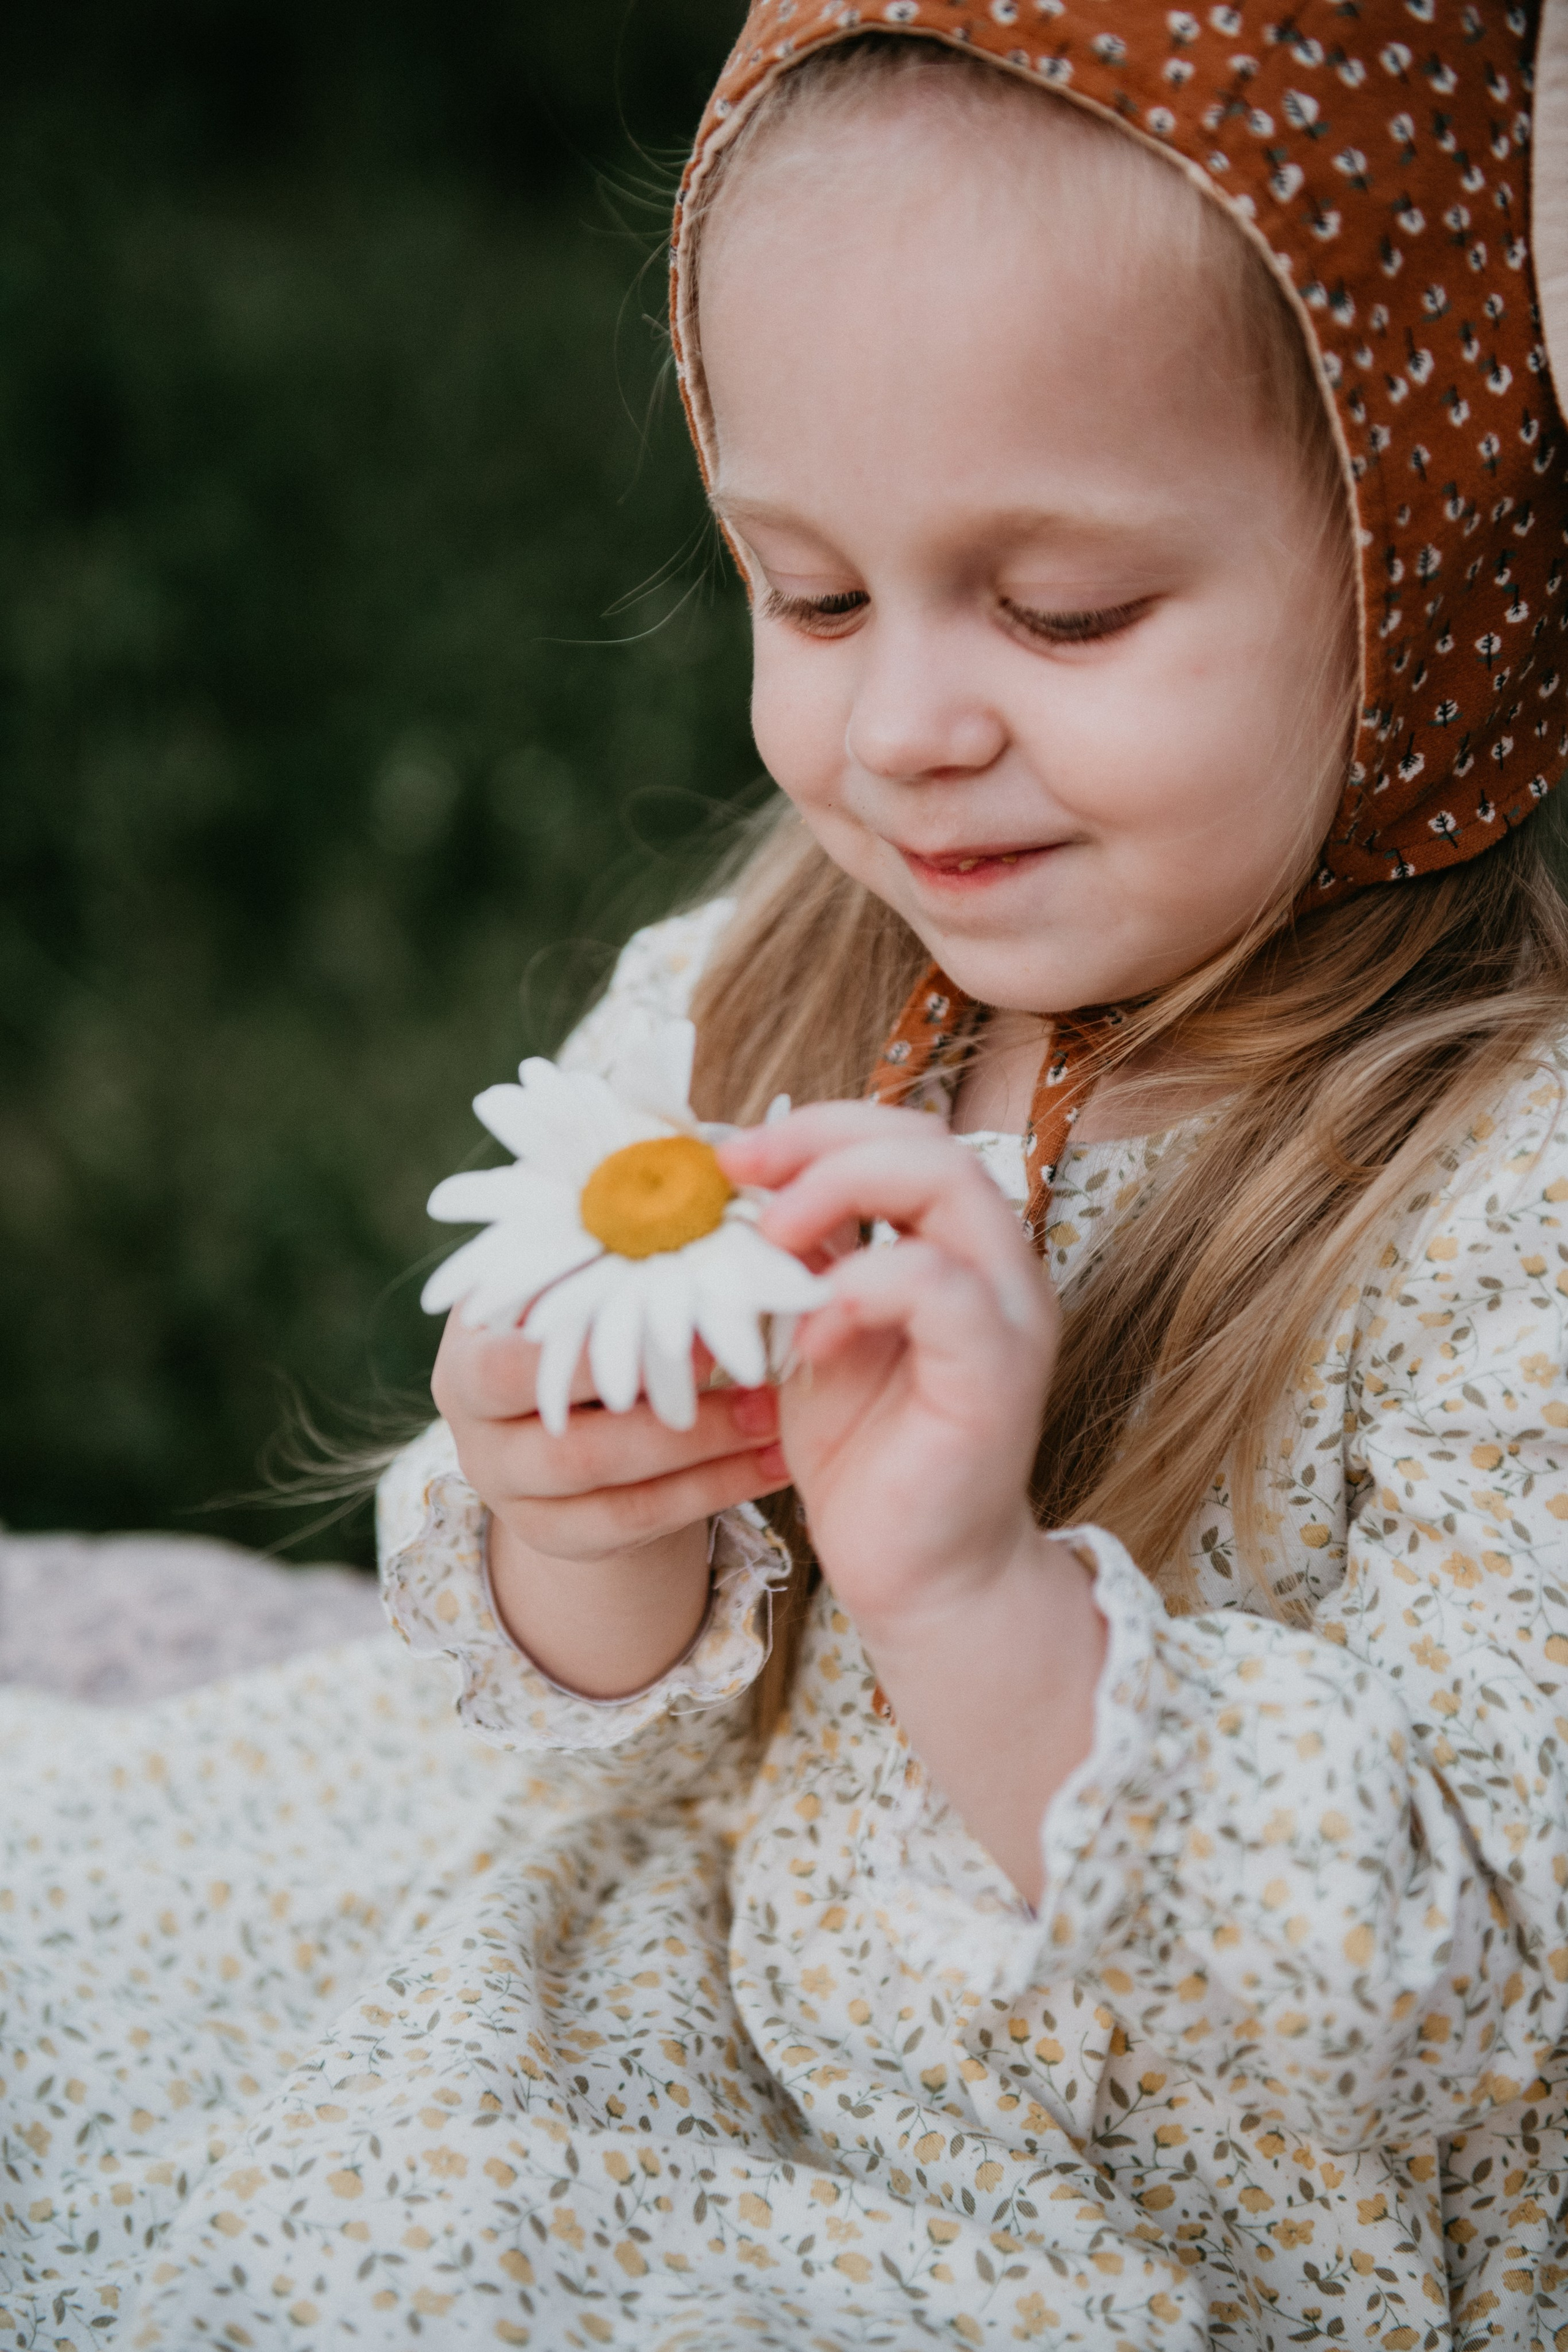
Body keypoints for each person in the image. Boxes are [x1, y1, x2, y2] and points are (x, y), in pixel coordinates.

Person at [5, 2, 1568, 2343]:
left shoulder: (1496, 1199)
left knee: (433, 2285)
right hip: (690, 1971)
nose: (910, 725)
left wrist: (971, 1599)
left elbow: (1463, 2003)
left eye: (1066, 612)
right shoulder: (763, 990)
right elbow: (543, 1683)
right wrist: (568, 1519)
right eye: (813, 596)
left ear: (1430, 571)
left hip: (1124, 2192)